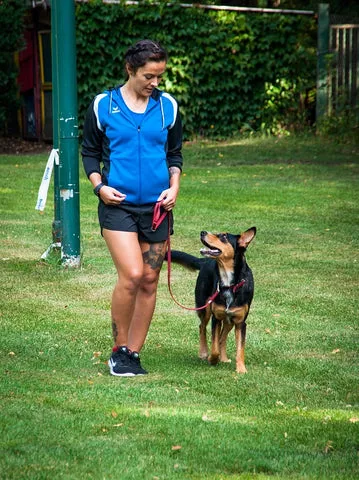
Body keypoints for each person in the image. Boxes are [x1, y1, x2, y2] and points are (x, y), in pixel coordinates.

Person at [81, 39, 183, 377]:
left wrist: (174, 187)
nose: (155, 84)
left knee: (150, 280)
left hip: (156, 209)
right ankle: (118, 349)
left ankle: (133, 354)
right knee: (133, 275)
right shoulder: (103, 105)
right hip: (118, 206)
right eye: (148, 76)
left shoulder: (168, 107)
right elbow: (90, 151)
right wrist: (99, 186)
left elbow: (175, 154)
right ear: (130, 70)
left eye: (159, 76)